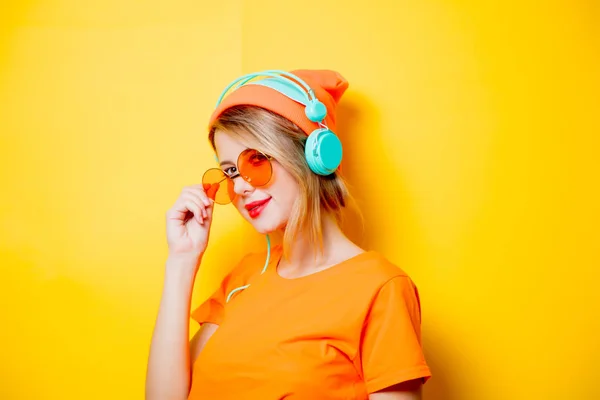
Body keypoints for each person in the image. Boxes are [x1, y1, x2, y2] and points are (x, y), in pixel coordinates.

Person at [145, 69, 431, 400]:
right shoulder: (244, 277)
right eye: (229, 172)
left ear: (313, 156)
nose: (239, 186)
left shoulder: (381, 288)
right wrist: (182, 260)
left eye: (255, 160)